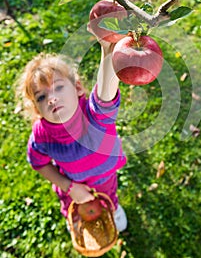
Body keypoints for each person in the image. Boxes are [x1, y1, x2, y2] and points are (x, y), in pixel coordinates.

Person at [15, 39, 127, 232]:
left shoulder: (94, 115)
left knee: (108, 197)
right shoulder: (42, 134)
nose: (52, 98)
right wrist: (68, 186)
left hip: (104, 178)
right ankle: (75, 219)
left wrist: (108, 48)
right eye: (41, 97)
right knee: (72, 206)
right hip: (72, 183)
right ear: (37, 109)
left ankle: (113, 211)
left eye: (58, 87)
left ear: (77, 89)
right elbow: (38, 162)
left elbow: (105, 92)